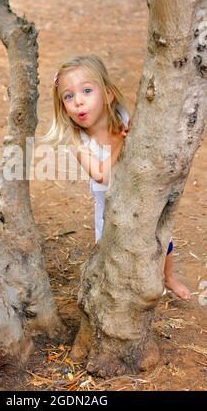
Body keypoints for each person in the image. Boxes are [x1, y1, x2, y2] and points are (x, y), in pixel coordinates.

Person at [42, 54, 190, 300]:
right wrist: (122, 143)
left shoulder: (122, 116)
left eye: (87, 91)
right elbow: (100, 175)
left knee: (161, 238)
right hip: (108, 205)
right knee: (110, 249)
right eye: (68, 96)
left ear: (108, 95)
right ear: (63, 108)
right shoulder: (77, 142)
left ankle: (169, 278)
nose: (78, 101)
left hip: (138, 192)